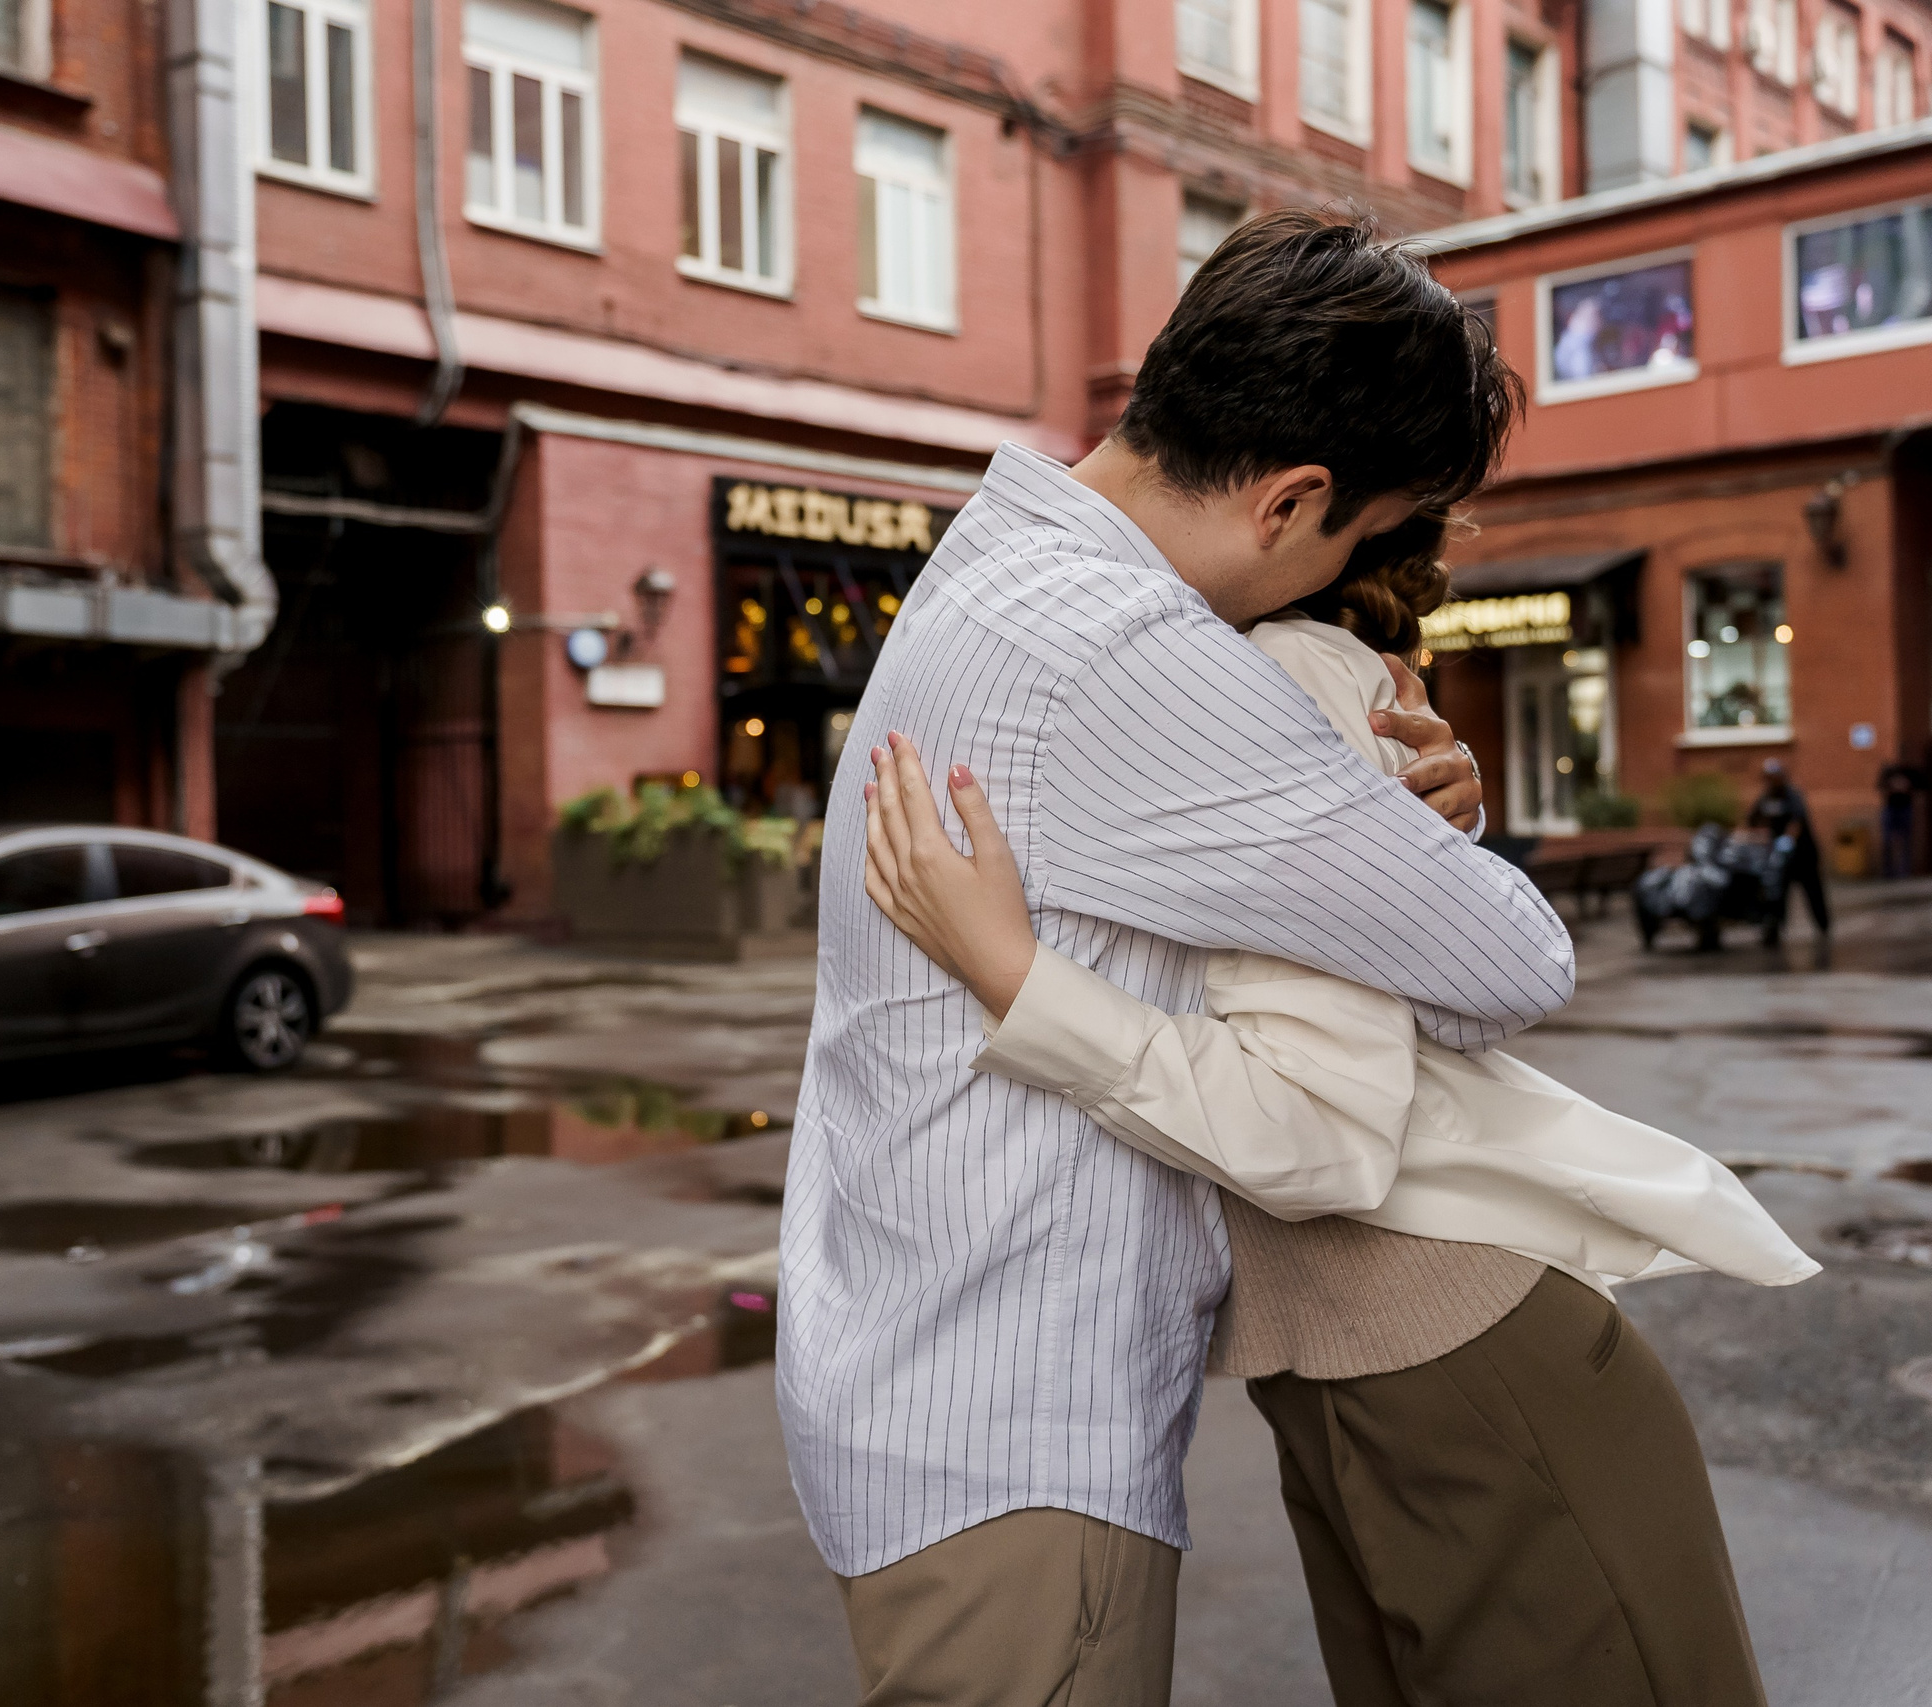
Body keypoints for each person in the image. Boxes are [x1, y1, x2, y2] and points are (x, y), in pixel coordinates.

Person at [776, 206, 1574, 1706]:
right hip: (1013, 1437)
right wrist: (1422, 820)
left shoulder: (998, 556)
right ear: (1292, 501)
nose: (1365, 565)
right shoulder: (1134, 654)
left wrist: (1394, 799)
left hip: (916, 1387)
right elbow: (1514, 959)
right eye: (1370, 531)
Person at [860, 515, 1815, 1707]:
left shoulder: (1288, 670)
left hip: (1455, 1366)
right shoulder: (1253, 680)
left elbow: (1314, 1131)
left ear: (1306, 515)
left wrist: (1020, 983)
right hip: (1378, 1377)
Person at [1749, 758, 1830, 936]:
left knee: (1813, 891)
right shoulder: (1766, 797)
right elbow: (1752, 819)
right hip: (1780, 856)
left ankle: (1823, 926)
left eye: (1774, 776)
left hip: (1803, 854)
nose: (1771, 780)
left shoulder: (1792, 795)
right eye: (1768, 777)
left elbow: (1797, 821)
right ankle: (1774, 929)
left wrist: (1787, 839)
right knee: (1776, 891)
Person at [1878, 759, 1921, 878]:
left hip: (1905, 808)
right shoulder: (1888, 770)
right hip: (1890, 808)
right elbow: (1880, 786)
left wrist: (1907, 785)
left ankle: (1904, 872)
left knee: (1906, 842)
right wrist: (1892, 786)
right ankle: (1888, 872)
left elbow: (1919, 785)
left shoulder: (1908, 771)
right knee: (1887, 841)